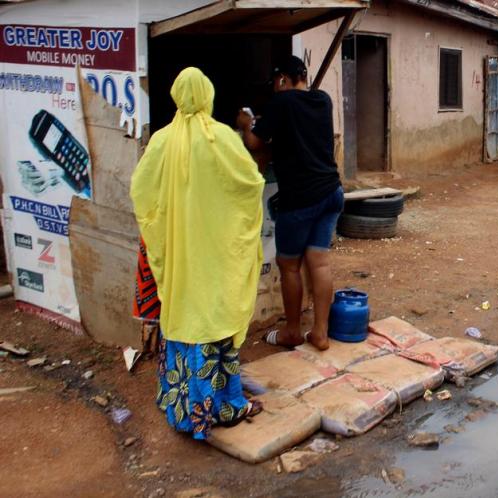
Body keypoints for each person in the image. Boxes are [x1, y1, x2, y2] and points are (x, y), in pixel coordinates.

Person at [130, 67, 266, 439]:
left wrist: (165, 225)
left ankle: (180, 406)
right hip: (214, 255)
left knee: (184, 313)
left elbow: (140, 191)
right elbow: (251, 184)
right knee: (214, 317)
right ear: (207, 95)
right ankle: (224, 405)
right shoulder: (221, 138)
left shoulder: (161, 141)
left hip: (180, 257)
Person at [237, 55, 343, 351]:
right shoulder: (323, 100)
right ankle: (320, 333)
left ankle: (293, 332)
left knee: (289, 266)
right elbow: (297, 135)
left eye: (275, 81)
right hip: (331, 192)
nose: (274, 87)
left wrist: (247, 124)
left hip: (300, 199)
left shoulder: (281, 103)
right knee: (319, 262)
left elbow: (255, 143)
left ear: (283, 78)